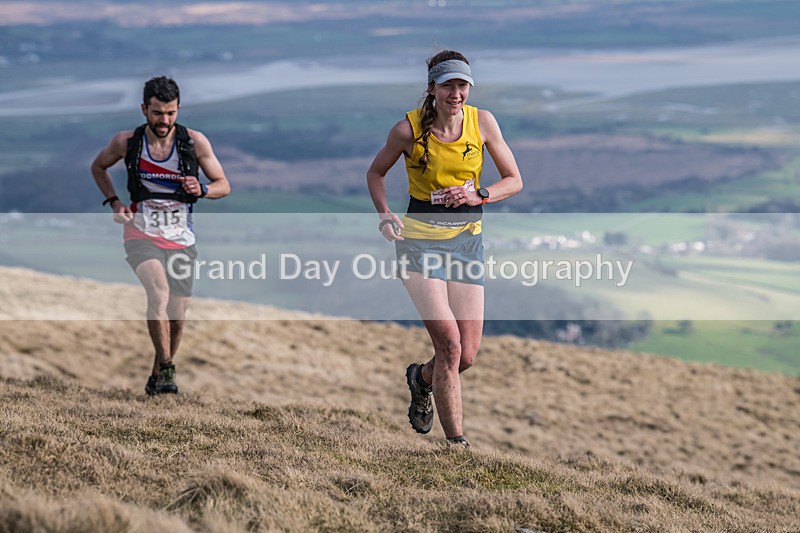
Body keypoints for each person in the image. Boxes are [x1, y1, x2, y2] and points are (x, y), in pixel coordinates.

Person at [366, 50, 523, 447]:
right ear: (432, 88)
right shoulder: (407, 131)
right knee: (450, 345)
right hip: (418, 246)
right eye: (448, 85)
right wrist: (385, 214)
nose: (456, 93)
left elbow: (514, 179)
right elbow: (376, 172)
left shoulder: (482, 122)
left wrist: (479, 194)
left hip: (466, 244)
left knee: (466, 355)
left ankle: (421, 379)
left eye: (462, 85)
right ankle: (457, 445)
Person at [90, 76, 230, 396]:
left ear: (178, 109)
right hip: (141, 233)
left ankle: (156, 378)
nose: (164, 121)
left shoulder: (194, 142)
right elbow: (98, 167)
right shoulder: (126, 142)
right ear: (144, 109)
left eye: (170, 113)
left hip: (181, 237)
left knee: (177, 316)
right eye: (157, 113)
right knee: (158, 292)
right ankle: (167, 369)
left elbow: (223, 185)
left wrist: (203, 189)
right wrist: (114, 202)